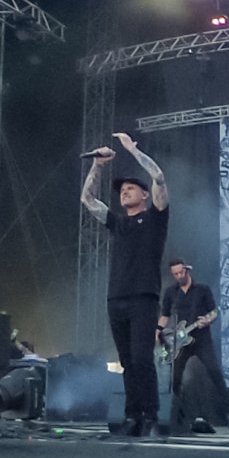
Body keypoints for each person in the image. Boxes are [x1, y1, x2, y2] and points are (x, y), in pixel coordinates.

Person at [82, 131, 173, 438]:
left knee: (142, 358)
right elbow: (87, 200)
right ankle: (132, 416)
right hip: (116, 298)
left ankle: (151, 416)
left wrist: (132, 150)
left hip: (143, 298)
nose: (125, 192)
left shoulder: (156, 218)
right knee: (127, 362)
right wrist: (97, 166)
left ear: (144, 195)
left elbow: (158, 177)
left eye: (131, 188)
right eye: (122, 190)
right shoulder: (118, 223)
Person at [159, 258, 220, 433]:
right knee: (176, 378)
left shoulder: (202, 290)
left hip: (201, 339)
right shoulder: (171, 292)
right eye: (176, 274)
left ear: (187, 270)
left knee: (213, 371)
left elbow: (214, 312)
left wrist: (208, 320)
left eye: (181, 272)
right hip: (180, 341)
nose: (179, 276)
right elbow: (165, 315)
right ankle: (176, 413)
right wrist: (158, 330)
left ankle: (227, 413)